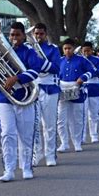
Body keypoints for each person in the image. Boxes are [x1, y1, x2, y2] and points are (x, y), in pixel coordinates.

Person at [0, 22, 41, 182]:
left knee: (25, 135)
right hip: (5, 98)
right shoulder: (2, 52)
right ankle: (8, 170)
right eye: (11, 35)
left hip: (24, 96)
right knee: (7, 134)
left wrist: (17, 78)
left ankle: (27, 167)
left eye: (17, 35)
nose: (14, 38)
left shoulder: (29, 52)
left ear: (23, 35)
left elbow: (35, 71)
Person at [31, 23, 61, 166]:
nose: (38, 36)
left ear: (46, 34)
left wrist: (40, 63)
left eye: (41, 34)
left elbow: (55, 68)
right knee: (34, 125)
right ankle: (37, 153)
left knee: (49, 125)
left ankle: (50, 155)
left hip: (50, 88)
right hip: (34, 88)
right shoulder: (30, 49)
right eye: (36, 33)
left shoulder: (53, 49)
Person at [57, 38, 94, 152]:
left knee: (77, 119)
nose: (67, 50)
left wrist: (83, 78)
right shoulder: (59, 60)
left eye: (69, 48)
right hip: (62, 89)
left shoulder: (81, 60)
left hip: (77, 89)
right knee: (61, 119)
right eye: (65, 48)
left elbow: (92, 70)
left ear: (73, 49)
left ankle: (77, 142)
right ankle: (64, 143)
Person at [81, 41, 99, 143]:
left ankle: (94, 135)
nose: (86, 53)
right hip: (83, 87)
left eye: (88, 50)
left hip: (94, 87)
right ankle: (82, 137)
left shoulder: (97, 60)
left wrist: (92, 69)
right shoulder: (79, 60)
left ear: (92, 50)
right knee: (82, 114)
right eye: (84, 51)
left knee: (94, 114)